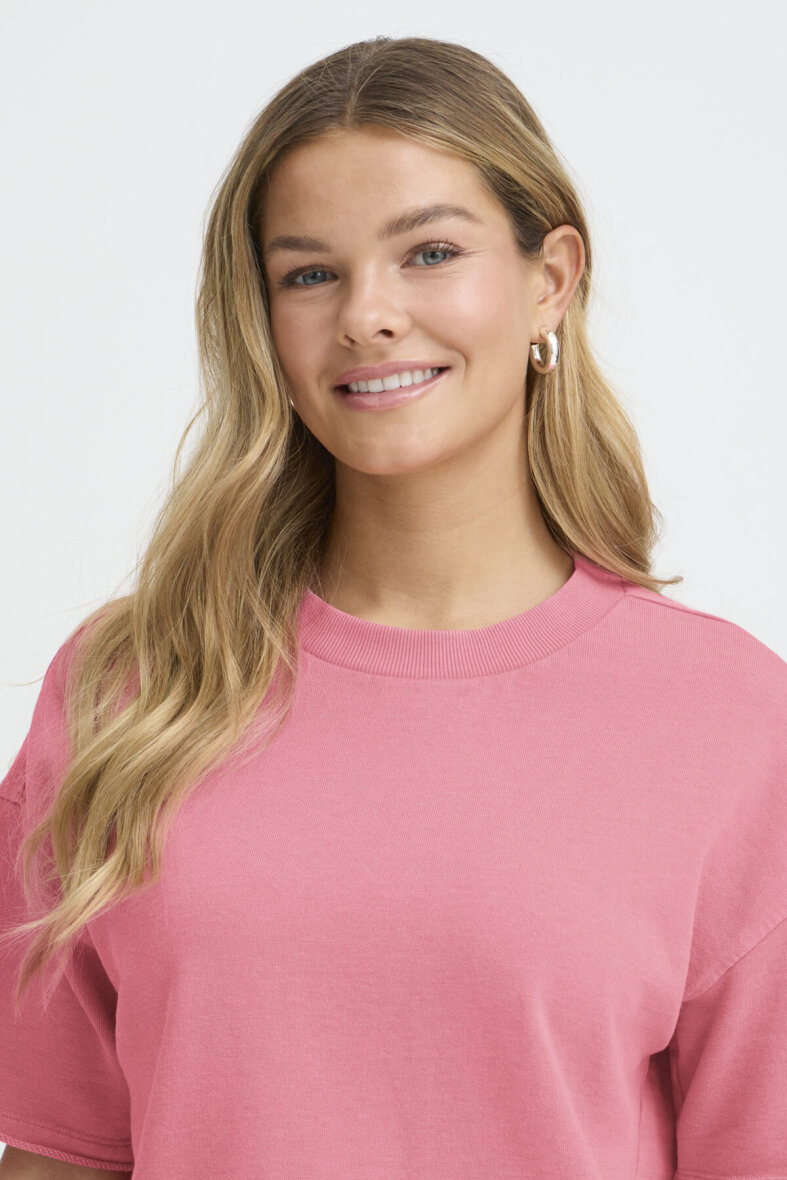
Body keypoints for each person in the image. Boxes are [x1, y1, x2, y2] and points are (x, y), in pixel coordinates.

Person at [1, 34, 785, 1180]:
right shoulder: (130, 691)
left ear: (550, 278)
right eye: (308, 274)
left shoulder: (733, 722)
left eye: (429, 252)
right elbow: (60, 1153)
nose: (367, 314)